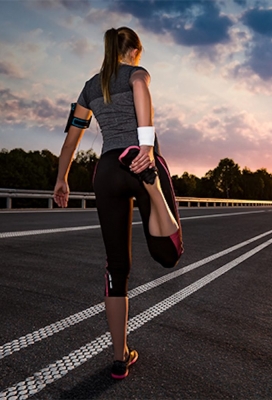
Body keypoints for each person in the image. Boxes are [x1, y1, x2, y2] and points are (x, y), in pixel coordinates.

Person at [53, 27, 183, 379]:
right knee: (168, 253)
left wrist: (61, 178)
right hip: (140, 162)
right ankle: (153, 188)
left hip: (107, 169)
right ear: (136, 50)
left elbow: (70, 141)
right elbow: (140, 85)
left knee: (116, 267)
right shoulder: (136, 73)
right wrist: (145, 148)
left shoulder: (90, 87)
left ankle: (118, 356)